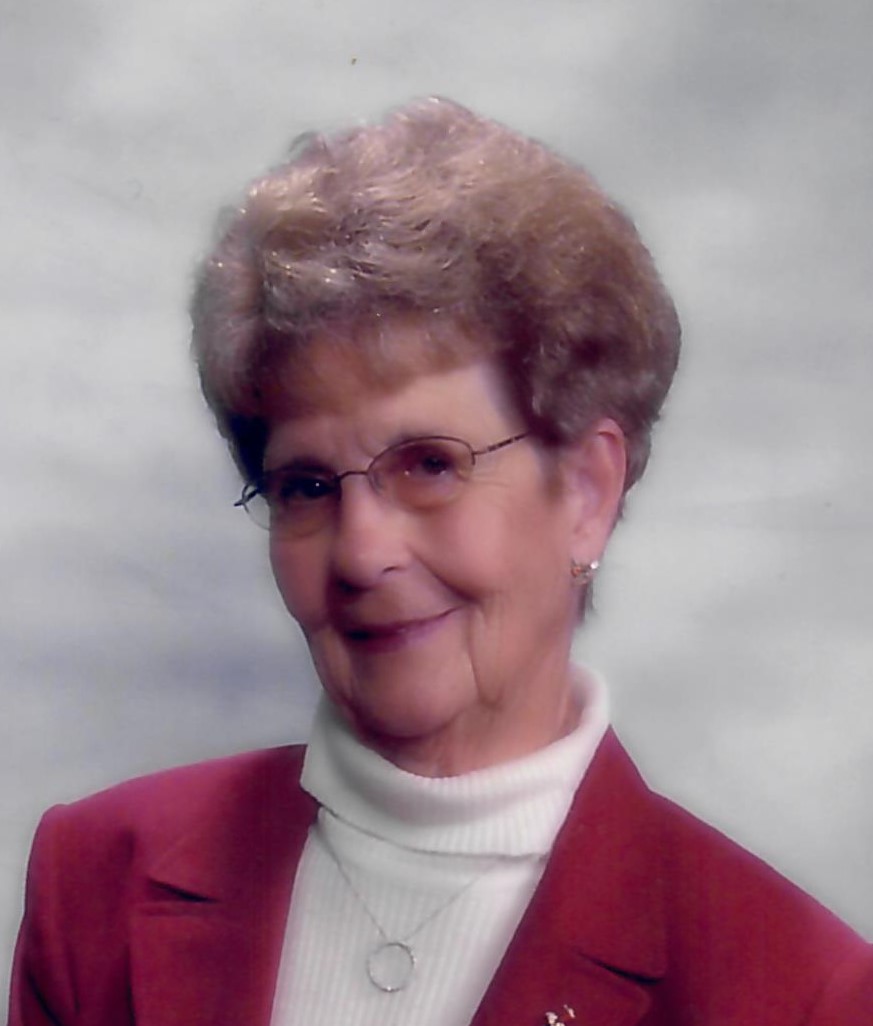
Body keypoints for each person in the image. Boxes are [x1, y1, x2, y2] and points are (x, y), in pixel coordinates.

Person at [8, 97, 873, 1026]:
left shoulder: (796, 991)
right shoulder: (97, 882)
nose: (362, 553)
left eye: (428, 466)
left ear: (586, 493)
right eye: (306, 485)